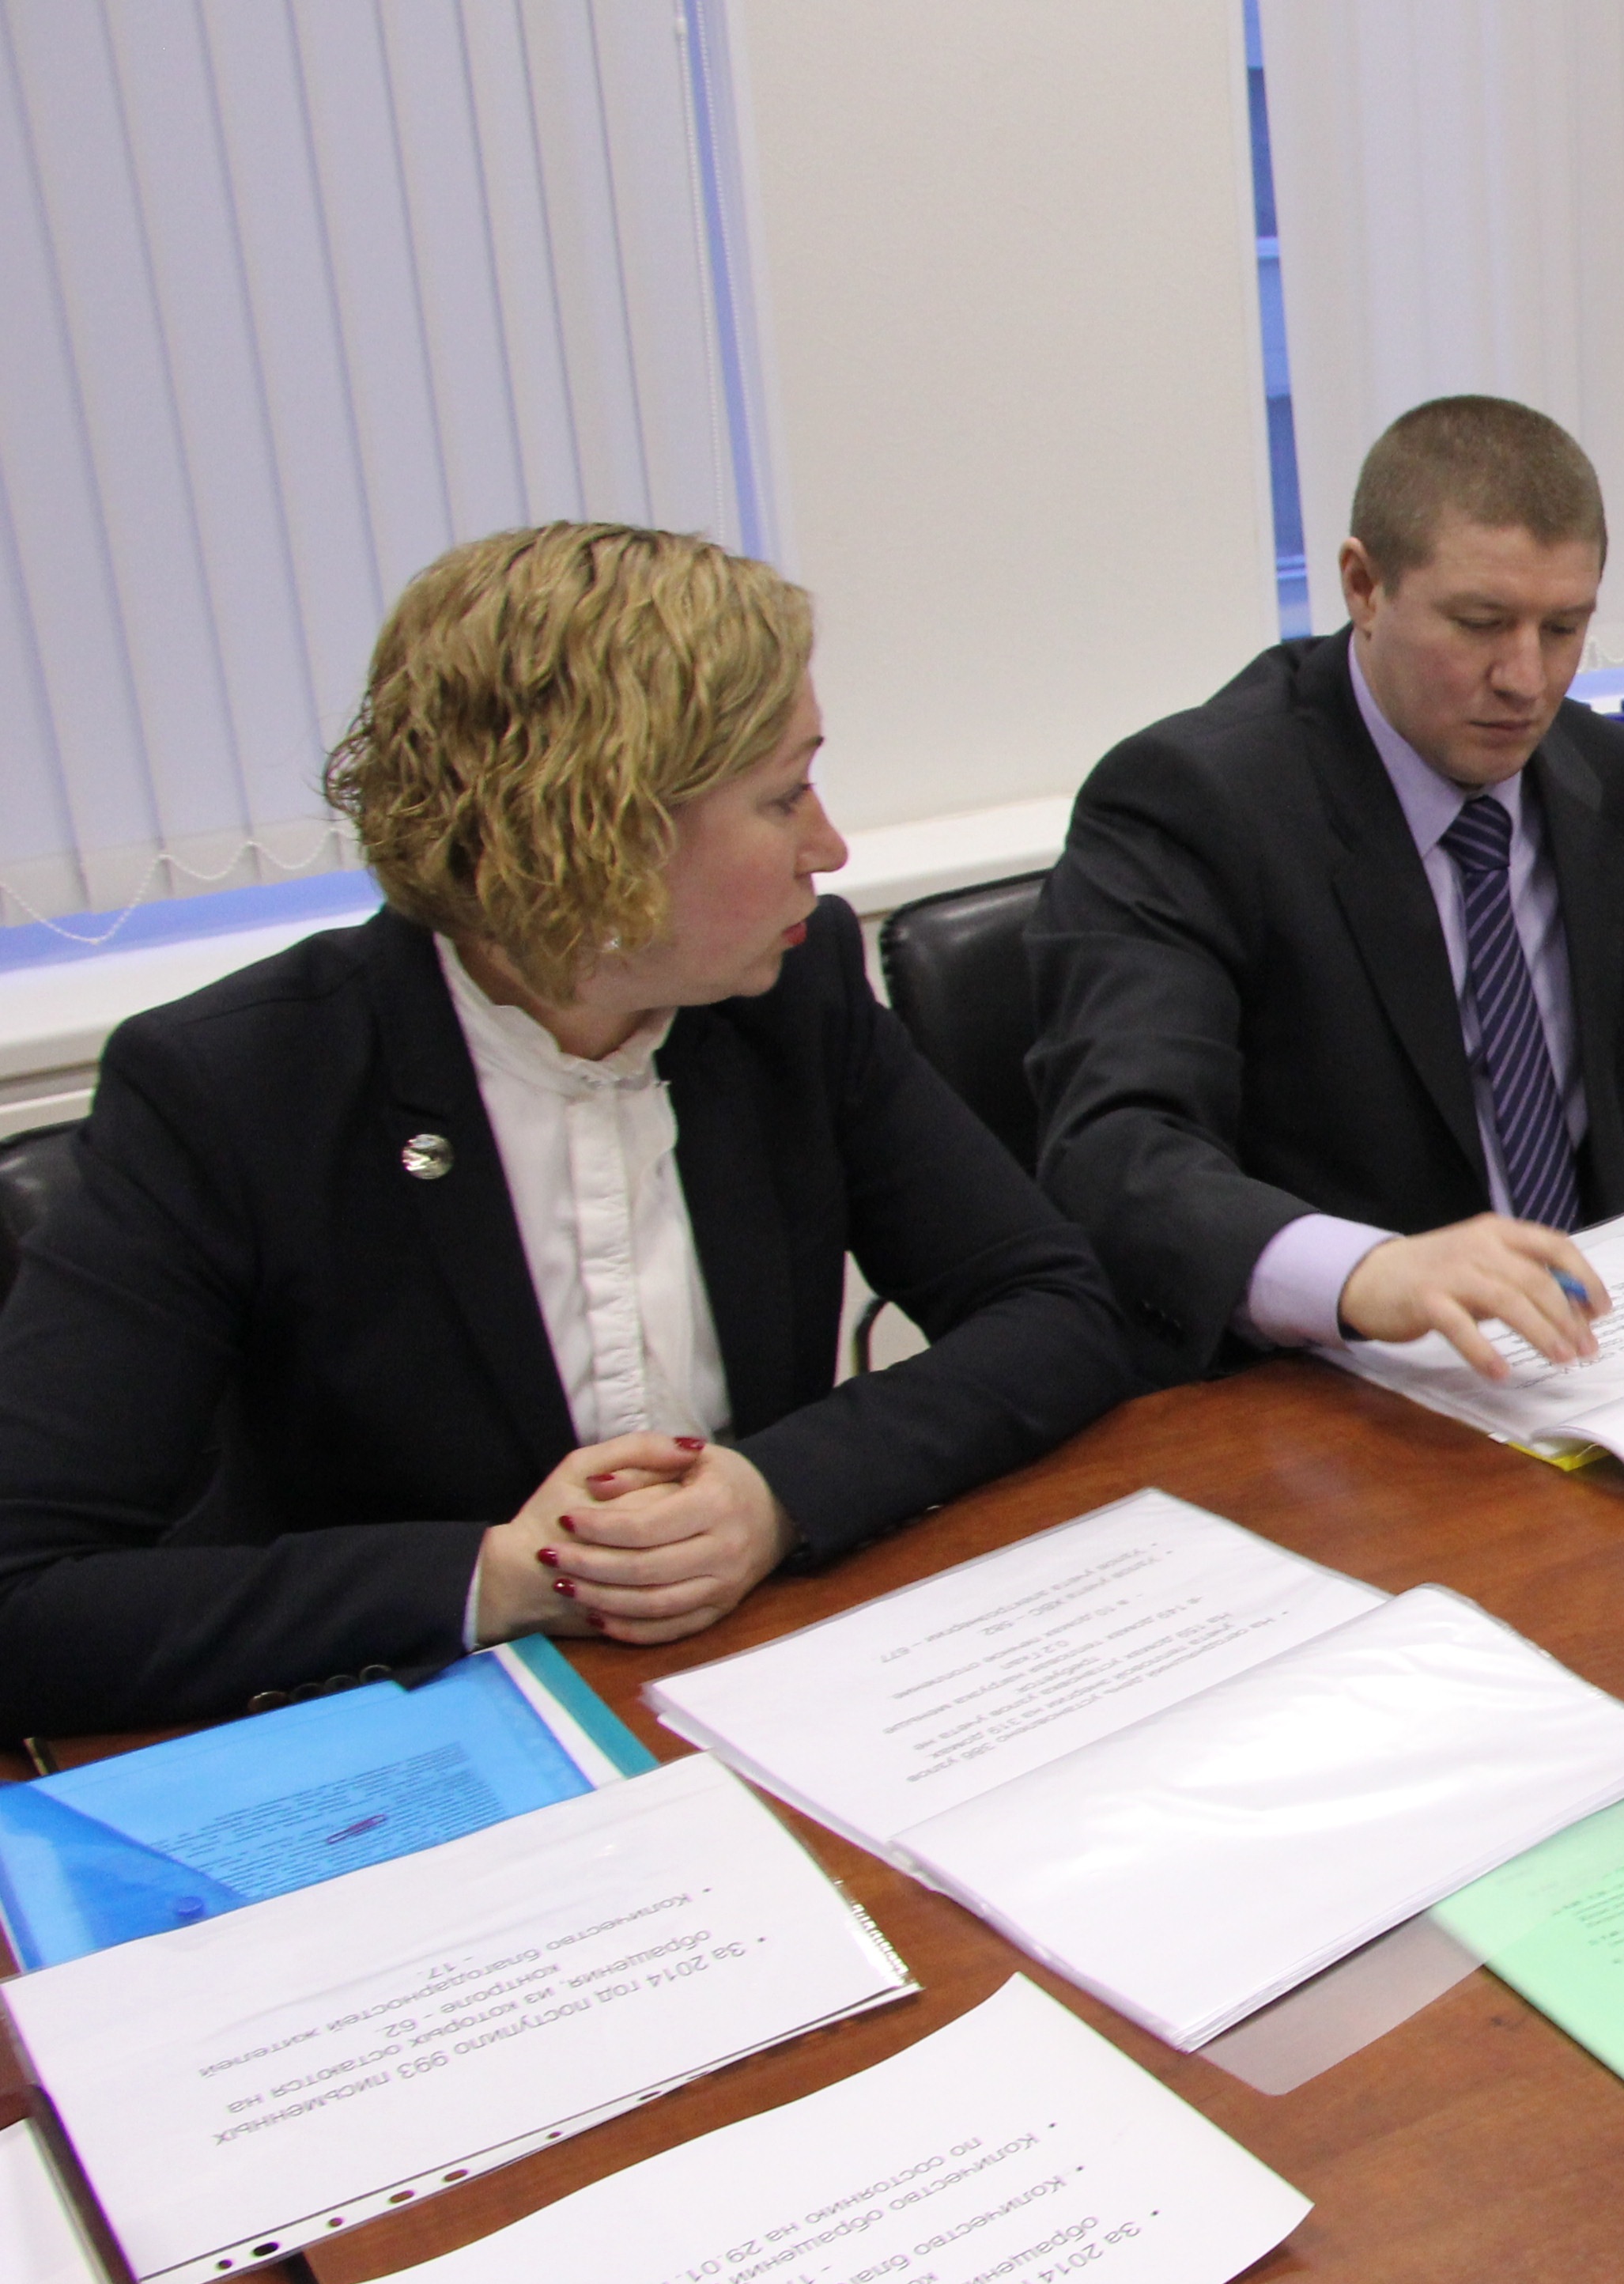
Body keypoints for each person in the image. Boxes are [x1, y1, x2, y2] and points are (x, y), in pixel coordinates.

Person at [0, 524, 1133, 1737]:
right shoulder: (232, 1087)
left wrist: (775, 1492)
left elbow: (1056, 1310)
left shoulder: (786, 1000)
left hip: (766, 1686)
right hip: (422, 1740)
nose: (829, 847)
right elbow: (25, 1597)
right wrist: (494, 1578)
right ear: (599, 835)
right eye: (782, 796)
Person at [1033, 396, 1624, 1386]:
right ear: (1364, 585)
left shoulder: (1610, 780)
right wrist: (1367, 1271)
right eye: (1480, 624)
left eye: (1564, 628)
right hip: (1334, 1381)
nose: (1527, 679)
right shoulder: (1195, 802)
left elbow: (1621, 1112)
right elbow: (1120, 1151)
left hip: (1587, 1354)